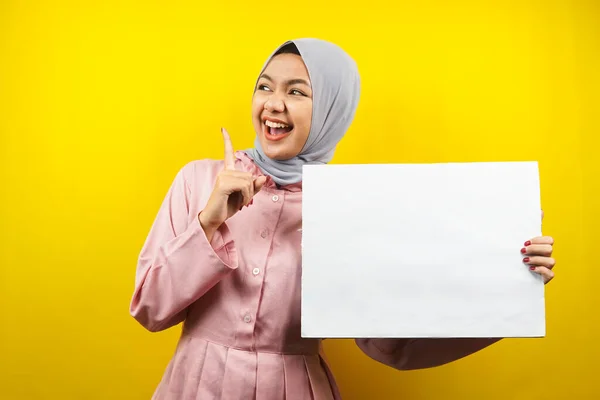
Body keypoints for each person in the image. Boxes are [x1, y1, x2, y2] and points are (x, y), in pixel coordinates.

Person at [130, 38, 557, 399]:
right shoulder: (200, 179)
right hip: (195, 386)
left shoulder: (349, 205)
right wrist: (207, 221)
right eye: (264, 87)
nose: (273, 104)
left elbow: (390, 346)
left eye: (297, 92)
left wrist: (510, 286)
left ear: (332, 109)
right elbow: (149, 308)